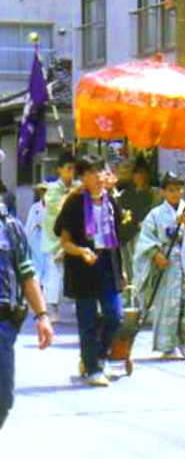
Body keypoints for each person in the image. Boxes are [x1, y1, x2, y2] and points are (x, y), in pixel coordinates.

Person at [55, 155, 126, 387]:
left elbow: (117, 238)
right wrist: (82, 251)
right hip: (82, 265)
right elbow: (65, 242)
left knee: (115, 316)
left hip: (108, 263)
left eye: (101, 171)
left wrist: (122, 269)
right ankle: (93, 369)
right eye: (92, 172)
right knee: (87, 319)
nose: (99, 177)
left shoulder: (111, 201)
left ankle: (99, 355)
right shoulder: (74, 203)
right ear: (83, 177)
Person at [134, 172, 185, 360]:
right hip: (169, 264)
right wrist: (156, 254)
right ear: (163, 192)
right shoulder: (155, 214)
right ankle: (168, 345)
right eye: (171, 190)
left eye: (178, 189)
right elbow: (145, 239)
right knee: (169, 304)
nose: (176, 193)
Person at [0, 197, 54, 431]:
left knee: (3, 400)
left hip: (2, 326)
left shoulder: (10, 226)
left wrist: (42, 316)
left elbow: (27, 274)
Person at [41, 151, 77, 324]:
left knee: (77, 273)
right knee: (54, 276)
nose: (71, 173)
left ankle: (79, 306)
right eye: (68, 168)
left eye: (73, 169)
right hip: (56, 239)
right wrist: (73, 194)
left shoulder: (77, 186)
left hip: (74, 237)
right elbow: (57, 209)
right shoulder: (53, 189)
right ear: (59, 170)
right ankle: (53, 310)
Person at [118, 155, 162, 285]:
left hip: (149, 239)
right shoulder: (124, 196)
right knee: (130, 274)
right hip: (128, 239)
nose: (141, 176)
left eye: (144, 172)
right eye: (138, 173)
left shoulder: (156, 194)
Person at [23, 183, 52, 321]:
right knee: (37, 270)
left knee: (49, 272)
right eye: (43, 192)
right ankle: (39, 304)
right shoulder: (35, 208)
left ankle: (46, 303)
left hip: (49, 241)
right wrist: (25, 242)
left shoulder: (54, 208)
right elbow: (29, 225)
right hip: (36, 241)